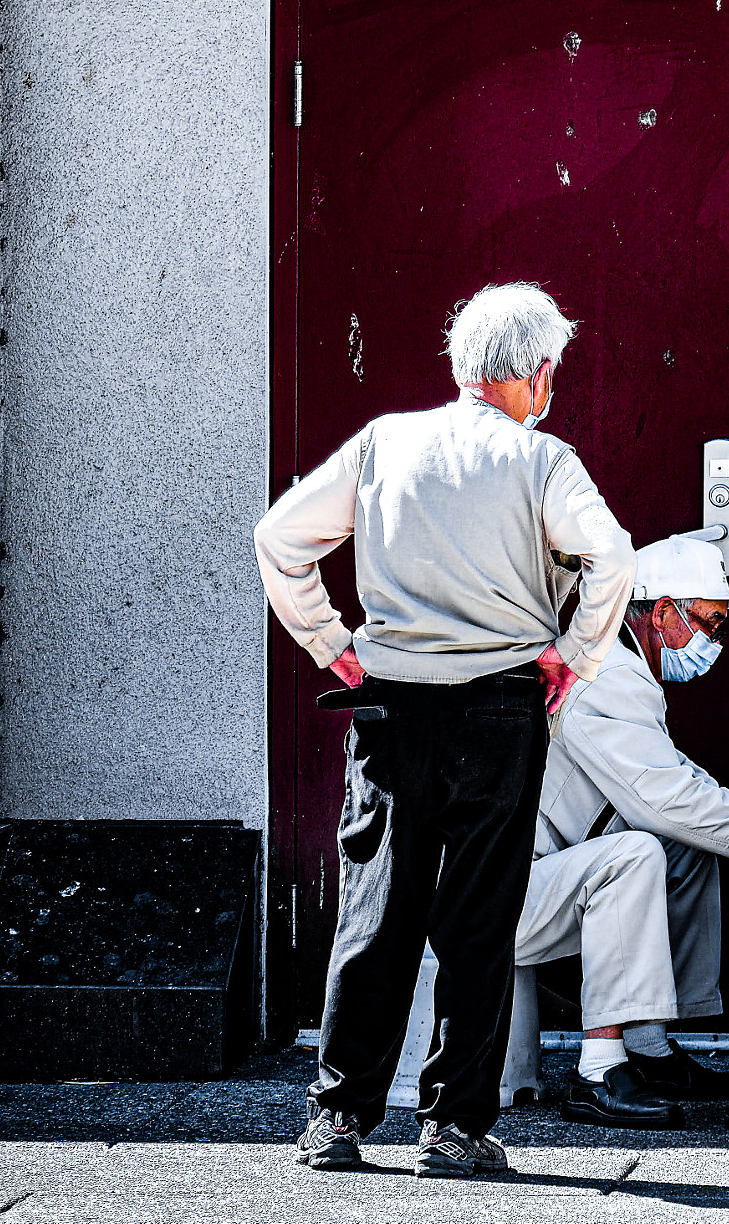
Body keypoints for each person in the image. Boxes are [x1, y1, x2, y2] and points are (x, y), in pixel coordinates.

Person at [255, 282, 635, 1177]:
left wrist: (329, 642)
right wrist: (574, 656)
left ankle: (337, 1118)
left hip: (392, 703)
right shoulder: (543, 461)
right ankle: (454, 1127)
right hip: (501, 705)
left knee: (375, 909)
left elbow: (280, 537)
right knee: (477, 920)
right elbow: (611, 558)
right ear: (537, 374)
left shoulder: (386, 441)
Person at [516, 534, 729, 1129]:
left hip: (538, 878)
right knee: (637, 851)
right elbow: (662, 797)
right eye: (709, 622)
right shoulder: (605, 677)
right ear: (661, 613)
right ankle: (598, 1069)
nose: (715, 641)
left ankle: (648, 1047)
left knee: (683, 848)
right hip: (502, 899)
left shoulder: (623, 668)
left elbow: (677, 782)